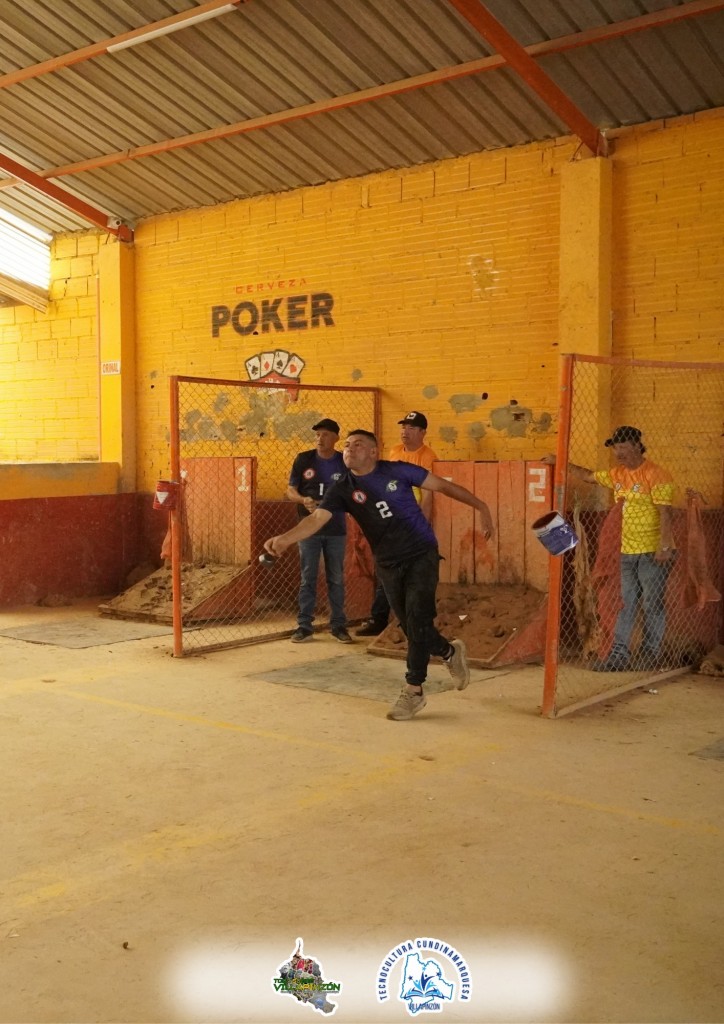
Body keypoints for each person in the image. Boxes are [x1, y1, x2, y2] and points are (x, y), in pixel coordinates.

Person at [267, 429, 494, 720]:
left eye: (358, 445)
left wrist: (481, 506)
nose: (350, 449)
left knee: (417, 618)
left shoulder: (397, 471)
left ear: (374, 452)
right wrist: (285, 539)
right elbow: (317, 519)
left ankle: (414, 690)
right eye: (347, 445)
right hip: (387, 562)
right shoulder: (342, 487)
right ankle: (449, 652)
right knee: (411, 627)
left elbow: (443, 487)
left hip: (421, 553)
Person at [543, 425, 675, 671]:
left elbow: (665, 513)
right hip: (628, 551)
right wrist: (558, 461)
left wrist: (664, 545)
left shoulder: (656, 474)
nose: (619, 453)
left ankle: (650, 654)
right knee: (626, 604)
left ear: (637, 446)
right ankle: (618, 656)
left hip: (652, 551)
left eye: (623, 447)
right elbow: (588, 476)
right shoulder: (618, 474)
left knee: (652, 603)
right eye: (616, 448)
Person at [356, 410, 439, 637]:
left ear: (422, 432)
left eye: (411, 428)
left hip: (411, 521)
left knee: (410, 574)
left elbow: (428, 493)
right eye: (403, 427)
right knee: (387, 570)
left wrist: (421, 523)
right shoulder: (394, 452)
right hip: (390, 520)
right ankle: (380, 619)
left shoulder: (428, 457)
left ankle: (406, 621)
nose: (405, 432)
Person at [287, 418, 352, 644]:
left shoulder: (343, 462)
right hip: (308, 529)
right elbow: (290, 490)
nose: (319, 438)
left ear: (336, 438)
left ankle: (338, 625)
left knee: (336, 578)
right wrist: (303, 499)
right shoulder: (304, 459)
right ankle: (304, 626)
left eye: (325, 434)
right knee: (308, 577)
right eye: (317, 434)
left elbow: (354, 490)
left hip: (336, 528)